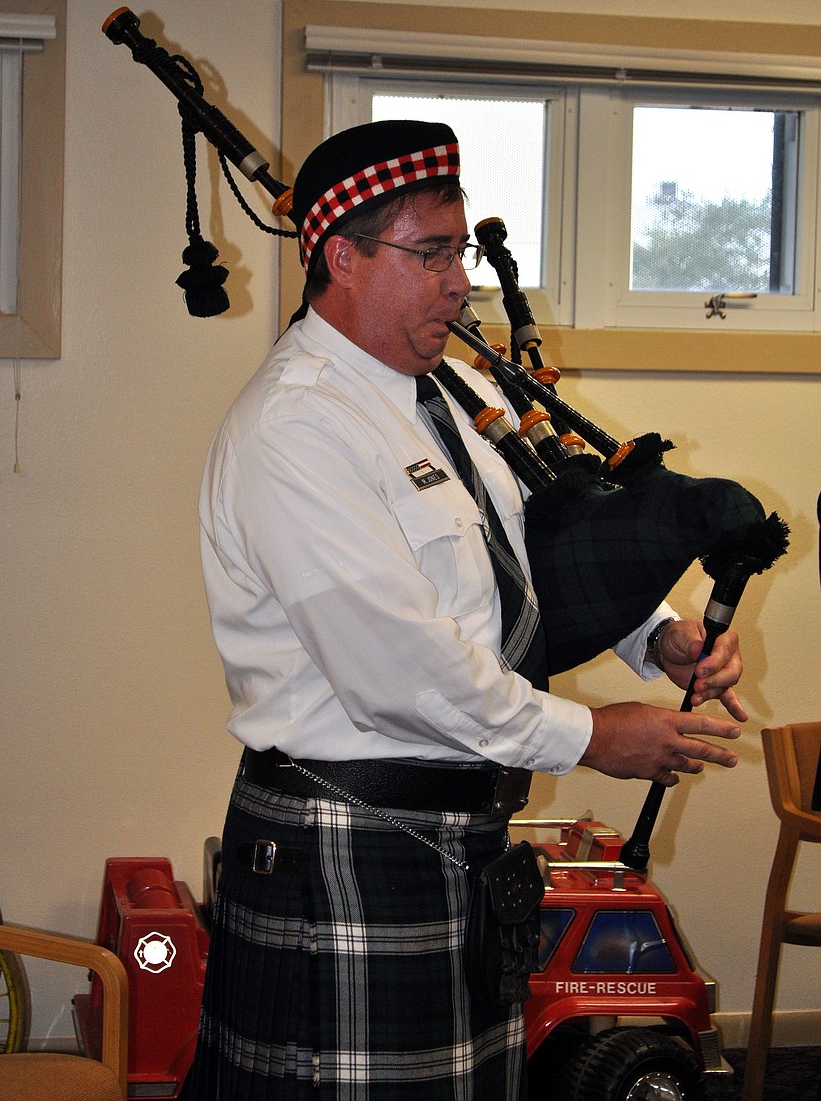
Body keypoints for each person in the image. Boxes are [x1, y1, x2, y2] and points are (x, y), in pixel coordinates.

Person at [186, 120, 745, 1101]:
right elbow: (395, 672)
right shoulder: (297, 426)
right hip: (343, 844)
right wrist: (587, 735)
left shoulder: (445, 391)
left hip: (459, 847)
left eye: (461, 253)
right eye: (431, 252)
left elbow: (527, 553)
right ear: (342, 256)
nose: (459, 281)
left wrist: (656, 636)